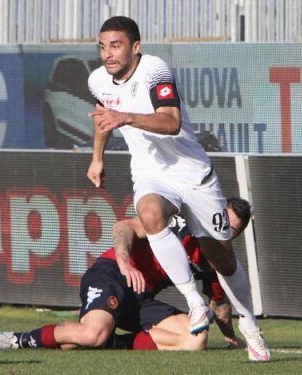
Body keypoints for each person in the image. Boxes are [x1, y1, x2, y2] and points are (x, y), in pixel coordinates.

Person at [85, 16, 269, 361]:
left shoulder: (155, 70)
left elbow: (171, 122)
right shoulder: (97, 80)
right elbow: (102, 118)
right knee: (150, 214)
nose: (107, 53)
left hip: (193, 175)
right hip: (151, 172)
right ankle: (195, 303)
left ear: (136, 48)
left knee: (221, 259)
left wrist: (125, 117)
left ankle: (249, 323)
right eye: (102, 45)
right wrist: (98, 158)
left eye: (116, 45)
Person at [0, 198, 249, 351]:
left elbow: (219, 304)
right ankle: (18, 339)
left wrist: (230, 336)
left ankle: (115, 343)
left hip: (141, 298)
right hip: (112, 275)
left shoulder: (215, 261)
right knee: (91, 335)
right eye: (222, 222)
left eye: (231, 230)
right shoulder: (176, 222)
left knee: (196, 339)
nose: (222, 231)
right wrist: (125, 264)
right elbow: (124, 227)